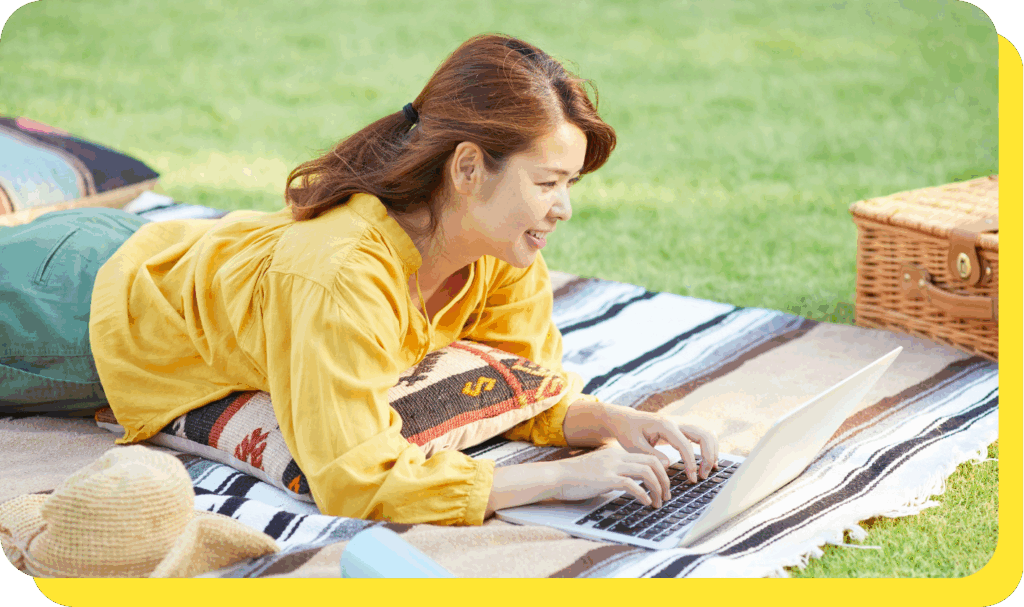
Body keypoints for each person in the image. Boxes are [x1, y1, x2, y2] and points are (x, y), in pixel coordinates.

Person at [0, 33, 718, 526]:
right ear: (467, 169)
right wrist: (559, 477)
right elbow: (353, 478)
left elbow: (519, 379)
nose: (562, 207)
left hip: (155, 252)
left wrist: (609, 421)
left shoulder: (503, 252)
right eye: (549, 181)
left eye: (569, 184)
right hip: (70, 309)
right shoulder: (345, 274)